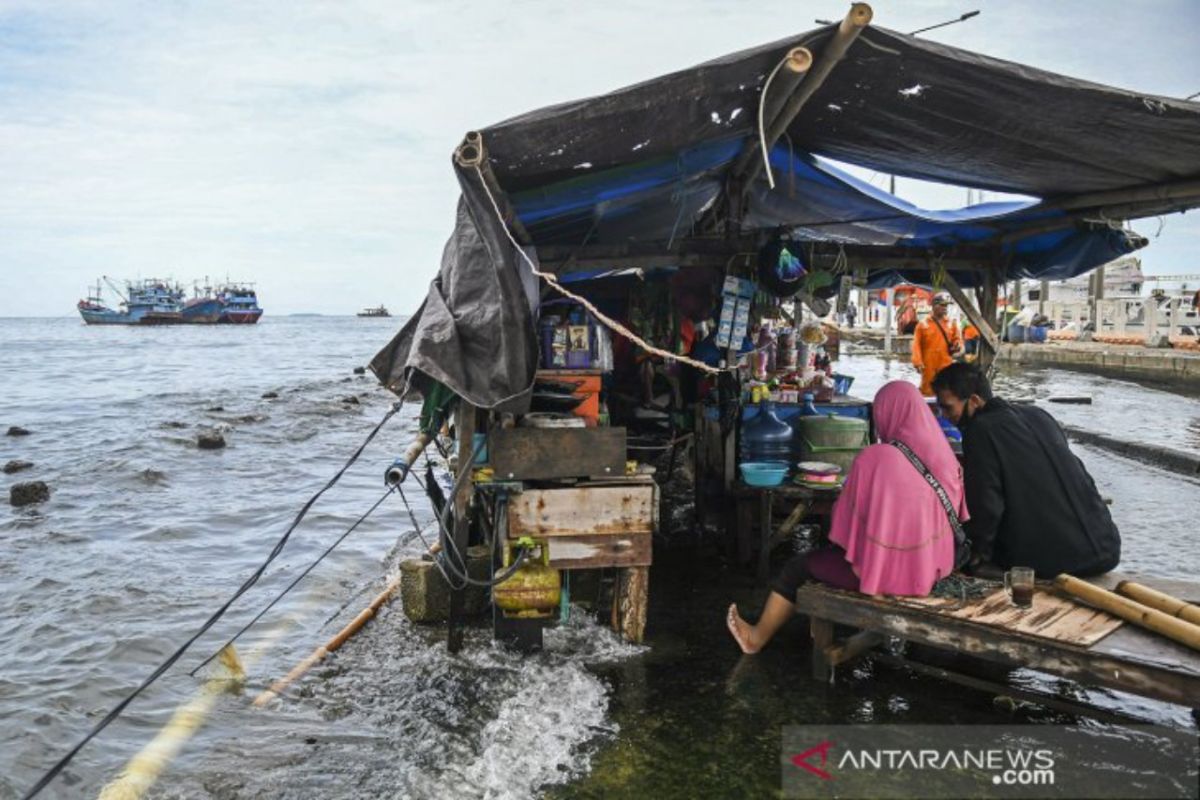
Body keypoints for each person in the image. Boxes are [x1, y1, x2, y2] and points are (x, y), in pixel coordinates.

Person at [727, 381, 966, 654]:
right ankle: (853, 634)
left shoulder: (875, 458)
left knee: (798, 568)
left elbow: (844, 526)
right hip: (935, 572)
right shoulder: (945, 456)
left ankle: (755, 638)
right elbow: (956, 515)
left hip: (890, 582)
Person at [932, 363, 1120, 578]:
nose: (944, 416)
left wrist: (974, 556)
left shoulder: (980, 430)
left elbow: (987, 504)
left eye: (948, 408)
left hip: (1061, 563)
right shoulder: (1039, 415)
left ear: (974, 401)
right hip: (1107, 547)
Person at [911, 292, 963, 397]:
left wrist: (957, 346)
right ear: (934, 306)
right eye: (942, 305)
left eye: (946, 306)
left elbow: (958, 340)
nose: (945, 308)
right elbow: (916, 345)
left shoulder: (951, 323)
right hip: (928, 365)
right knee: (927, 390)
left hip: (945, 365)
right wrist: (917, 362)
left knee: (946, 391)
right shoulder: (922, 325)